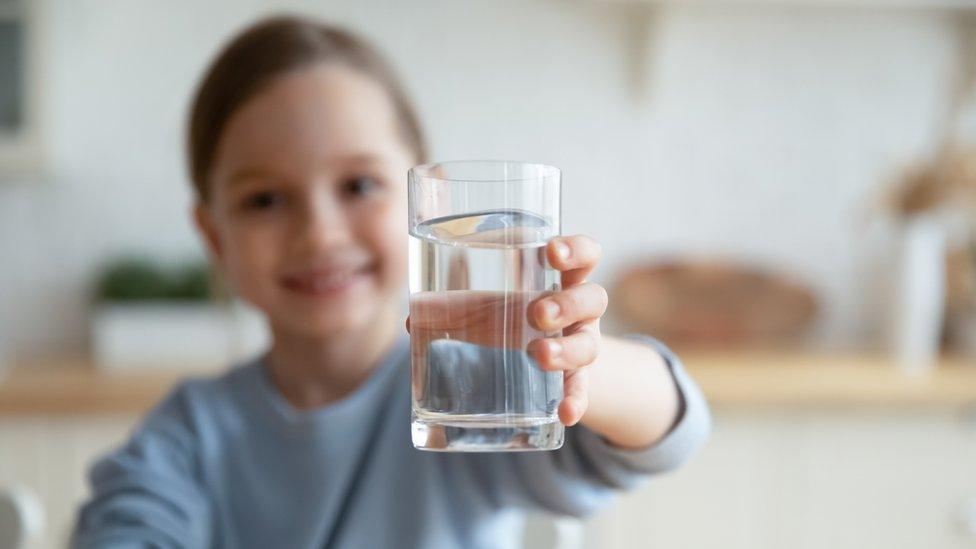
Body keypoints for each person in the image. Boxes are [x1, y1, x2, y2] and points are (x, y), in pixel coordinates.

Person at [72, 14, 711, 549]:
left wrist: (579, 366)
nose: (319, 234)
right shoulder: (189, 433)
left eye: (358, 186)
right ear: (214, 238)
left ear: (420, 201)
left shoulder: (469, 387)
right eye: (265, 200)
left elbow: (668, 432)